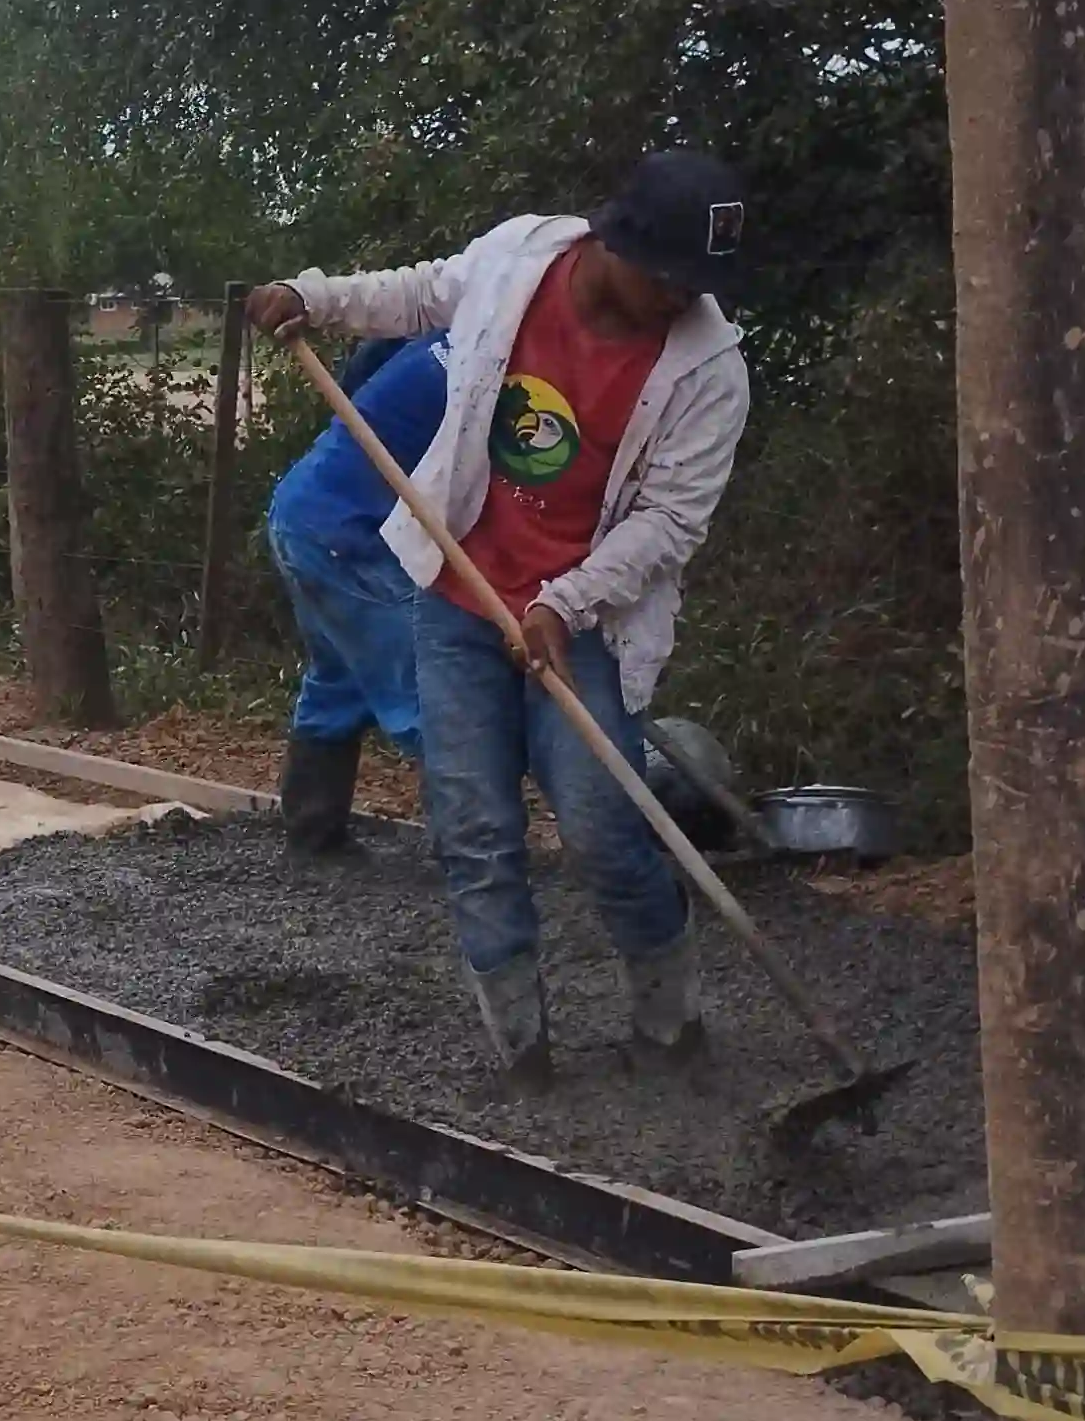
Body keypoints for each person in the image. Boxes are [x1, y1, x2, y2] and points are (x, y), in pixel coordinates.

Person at [242, 152, 754, 1076]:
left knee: (602, 825)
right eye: (673, 281)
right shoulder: (519, 260)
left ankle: (671, 1025)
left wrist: (564, 603)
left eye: (700, 287)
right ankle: (522, 1054)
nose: (687, 302)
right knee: (473, 829)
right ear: (613, 245)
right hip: (456, 593)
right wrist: (310, 296)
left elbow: (673, 522)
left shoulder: (710, 371)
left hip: (586, 622)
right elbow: (418, 293)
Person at [263, 331, 447, 854]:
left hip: (304, 508)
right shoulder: (495, 368)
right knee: (440, 691)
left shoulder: (441, 333)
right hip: (351, 532)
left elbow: (362, 374)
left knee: (339, 677)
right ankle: (472, 860)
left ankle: (313, 835)